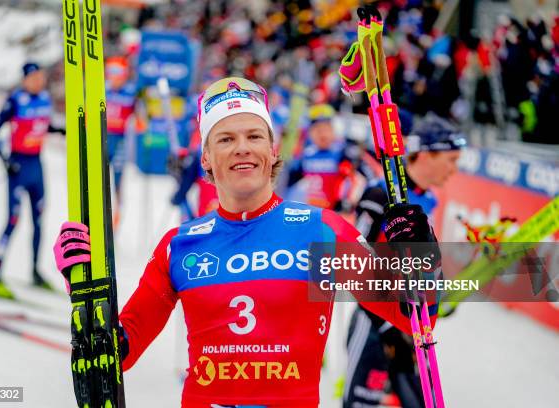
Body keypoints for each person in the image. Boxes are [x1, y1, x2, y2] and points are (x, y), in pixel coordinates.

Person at [54, 77, 440, 407]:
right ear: (206, 157)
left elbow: (414, 316)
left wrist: (422, 255)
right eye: (225, 138)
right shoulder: (180, 245)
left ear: (272, 151)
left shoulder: (321, 230)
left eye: (254, 135)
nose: (242, 147)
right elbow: (116, 355)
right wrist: (84, 291)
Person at [342, 114, 466, 408]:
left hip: (412, 330)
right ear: (425, 154)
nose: (455, 170)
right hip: (375, 325)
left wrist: (439, 296)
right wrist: (388, 331)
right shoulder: (379, 194)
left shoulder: (428, 199)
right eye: (451, 160)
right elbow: (353, 267)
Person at [0, 62, 65, 299]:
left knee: (39, 220)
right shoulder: (15, 101)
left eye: (40, 77)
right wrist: (6, 161)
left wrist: (60, 130)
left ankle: (34, 271)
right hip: (19, 166)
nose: (38, 81)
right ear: (25, 79)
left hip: (36, 166)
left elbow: (43, 125)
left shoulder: (44, 98)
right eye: (33, 77)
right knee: (13, 220)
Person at [286, 104, 356, 210]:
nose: (322, 134)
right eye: (318, 130)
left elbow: (353, 182)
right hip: (310, 211)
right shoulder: (304, 156)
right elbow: (290, 188)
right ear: (310, 133)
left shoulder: (343, 153)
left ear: (333, 130)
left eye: (326, 129)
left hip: (334, 211)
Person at [104, 56, 138, 225]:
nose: (114, 76)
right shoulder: (103, 89)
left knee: (117, 181)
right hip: (103, 139)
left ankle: (115, 217)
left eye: (118, 72)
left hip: (120, 142)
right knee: (99, 179)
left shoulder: (130, 92)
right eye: (111, 72)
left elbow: (141, 118)